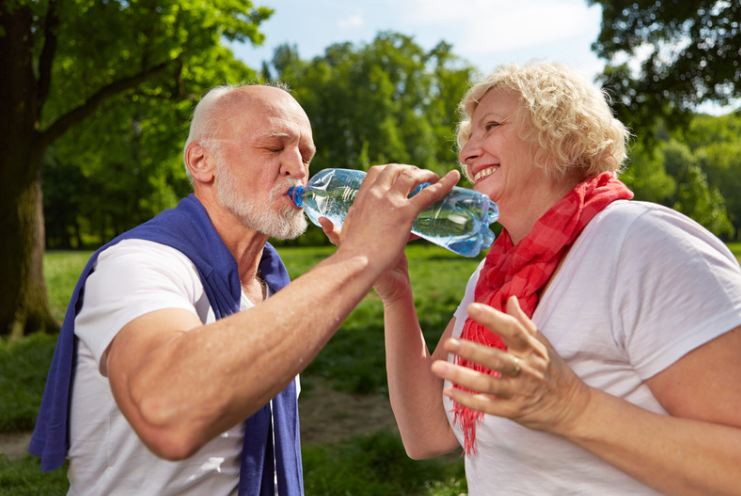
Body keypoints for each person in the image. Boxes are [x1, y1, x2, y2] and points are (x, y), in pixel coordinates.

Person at [29, 82, 459, 496]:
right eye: (273, 147)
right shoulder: (138, 264)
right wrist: (360, 255)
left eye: (305, 153)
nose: (298, 166)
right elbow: (167, 411)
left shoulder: (271, 280)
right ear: (201, 162)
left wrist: (388, 282)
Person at [370, 62, 741, 495]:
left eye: (490, 126)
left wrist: (576, 410)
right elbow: (428, 434)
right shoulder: (494, 277)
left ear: (560, 133)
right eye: (468, 136)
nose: (467, 152)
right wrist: (396, 293)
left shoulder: (642, 243)